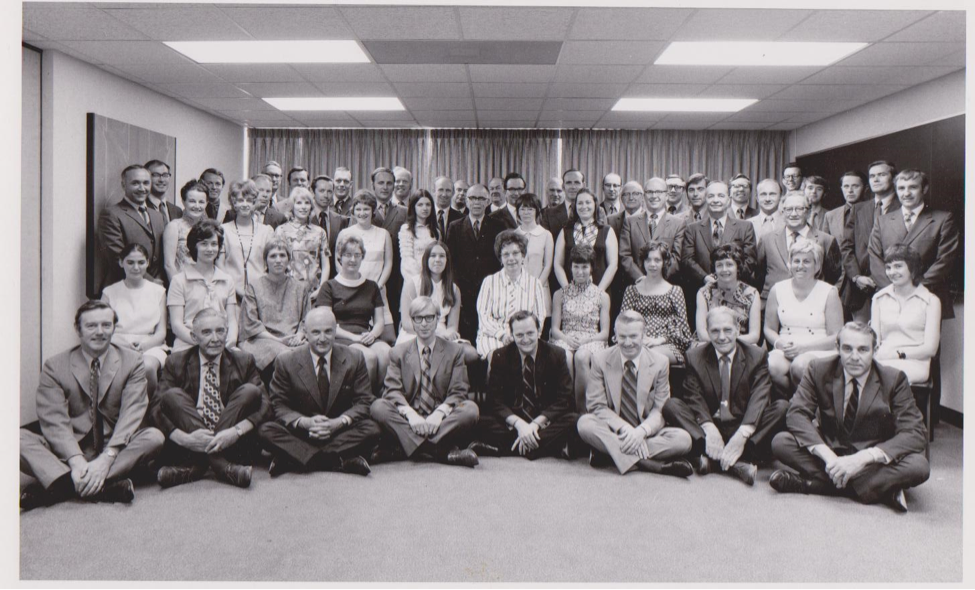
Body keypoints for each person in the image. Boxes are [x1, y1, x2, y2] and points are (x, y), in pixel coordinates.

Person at [19, 301, 165, 511]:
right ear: (78, 329)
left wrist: (107, 457)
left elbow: (132, 412)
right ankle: (102, 486)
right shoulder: (55, 365)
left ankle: (61, 485)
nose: (99, 332)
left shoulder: (132, 361)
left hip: (114, 447)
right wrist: (76, 460)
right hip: (71, 449)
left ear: (114, 328)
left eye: (106, 325)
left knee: (154, 437)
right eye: (91, 326)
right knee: (16, 439)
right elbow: (54, 420)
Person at [770, 322, 929, 512]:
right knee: (781, 442)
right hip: (831, 454)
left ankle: (812, 485)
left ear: (875, 350)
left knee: (919, 465)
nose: (854, 357)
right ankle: (876, 489)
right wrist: (830, 458)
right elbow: (797, 414)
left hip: (869, 462)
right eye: (847, 349)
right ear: (837, 348)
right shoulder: (818, 369)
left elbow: (915, 432)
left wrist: (861, 459)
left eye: (863, 350)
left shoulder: (894, 379)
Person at [665, 307, 789, 486]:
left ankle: (713, 459)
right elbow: (694, 398)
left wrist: (742, 435)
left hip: (743, 426)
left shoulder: (757, 355)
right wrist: (709, 428)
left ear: (738, 330)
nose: (722, 337)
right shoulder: (694, 357)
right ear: (707, 332)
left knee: (782, 407)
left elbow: (759, 397)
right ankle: (737, 464)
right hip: (710, 428)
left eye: (727, 330)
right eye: (715, 331)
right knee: (672, 405)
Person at [152, 309, 269, 489]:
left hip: (232, 441)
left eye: (220, 331)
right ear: (194, 336)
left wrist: (236, 431)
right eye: (206, 332)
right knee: (171, 396)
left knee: (250, 391)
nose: (215, 338)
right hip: (191, 440)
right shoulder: (176, 361)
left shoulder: (244, 360)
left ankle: (197, 467)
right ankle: (222, 467)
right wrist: (183, 438)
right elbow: (156, 407)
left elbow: (265, 404)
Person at [259, 307, 381, 477]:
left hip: (338, 432)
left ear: (335, 332)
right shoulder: (286, 360)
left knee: (372, 428)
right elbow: (278, 405)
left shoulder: (355, 357)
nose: (322, 338)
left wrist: (339, 422)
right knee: (266, 430)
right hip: (302, 432)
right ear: (305, 332)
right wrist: (304, 422)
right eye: (316, 332)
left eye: (328, 332)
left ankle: (297, 458)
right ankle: (339, 460)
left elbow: (364, 401)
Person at [576, 311, 693, 477]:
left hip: (643, 431)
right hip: (613, 428)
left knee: (683, 439)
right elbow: (596, 406)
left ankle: (609, 452)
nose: (628, 342)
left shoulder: (660, 362)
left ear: (643, 335)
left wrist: (641, 432)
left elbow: (660, 409)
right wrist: (625, 429)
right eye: (622, 336)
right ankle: (653, 465)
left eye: (633, 336)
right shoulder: (600, 359)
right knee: (585, 423)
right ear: (615, 336)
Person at [370, 297, 480, 467]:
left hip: (441, 420)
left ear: (437, 320)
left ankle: (409, 447)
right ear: (412, 322)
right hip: (410, 419)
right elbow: (391, 391)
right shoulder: (398, 352)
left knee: (471, 410)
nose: (424, 324)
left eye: (429, 317)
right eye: (418, 318)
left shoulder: (455, 351)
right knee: (378, 406)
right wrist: (411, 415)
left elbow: (459, 391)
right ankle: (440, 451)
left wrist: (439, 413)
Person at [474, 311, 579, 459]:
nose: (525, 340)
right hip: (514, 422)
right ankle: (541, 447)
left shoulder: (556, 355)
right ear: (512, 335)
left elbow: (565, 399)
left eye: (530, 333)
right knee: (478, 421)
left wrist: (534, 425)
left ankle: (509, 448)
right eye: (519, 335)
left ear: (539, 331)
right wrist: (520, 425)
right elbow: (494, 401)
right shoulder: (500, 356)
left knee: (574, 419)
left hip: (543, 421)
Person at [868, 169, 959, 319]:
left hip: (926, 295)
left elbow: (945, 260)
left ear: (924, 189)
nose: (906, 193)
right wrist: (892, 290)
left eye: (913, 187)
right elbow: (875, 257)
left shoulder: (943, 219)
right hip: (890, 297)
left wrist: (913, 289)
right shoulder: (882, 221)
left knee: (928, 342)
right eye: (901, 188)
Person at [764, 239, 844, 395]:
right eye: (796, 261)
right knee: (771, 366)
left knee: (799, 366)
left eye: (807, 261)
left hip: (819, 349)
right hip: (786, 348)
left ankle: (804, 409)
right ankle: (789, 404)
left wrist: (803, 348)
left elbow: (836, 335)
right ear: (790, 264)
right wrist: (780, 344)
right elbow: (768, 328)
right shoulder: (777, 289)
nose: (800, 266)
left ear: (817, 266)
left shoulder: (829, 292)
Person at [315, 233, 391, 391]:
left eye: (357, 255)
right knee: (368, 358)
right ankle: (363, 401)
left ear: (362, 257)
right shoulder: (329, 287)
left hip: (365, 336)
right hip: (340, 337)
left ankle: (380, 398)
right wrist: (354, 338)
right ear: (339, 257)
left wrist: (373, 335)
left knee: (386, 353)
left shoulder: (371, 286)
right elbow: (327, 324)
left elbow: (379, 322)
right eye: (348, 255)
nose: (352, 260)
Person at [238, 239, 312, 379]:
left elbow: (306, 320)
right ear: (266, 261)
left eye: (282, 255)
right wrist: (279, 341)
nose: (278, 260)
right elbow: (251, 324)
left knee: (310, 353)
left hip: (293, 340)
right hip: (261, 340)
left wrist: (299, 336)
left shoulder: (300, 287)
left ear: (289, 260)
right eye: (273, 256)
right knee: (287, 356)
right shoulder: (254, 287)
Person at [100, 244, 168, 396]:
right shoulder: (109, 292)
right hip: (116, 344)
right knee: (114, 368)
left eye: (141, 262)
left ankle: (149, 411)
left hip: (150, 345)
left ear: (148, 263)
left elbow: (161, 331)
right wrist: (123, 345)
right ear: (121, 262)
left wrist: (144, 345)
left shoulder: (158, 292)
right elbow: (103, 328)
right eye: (130, 262)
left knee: (147, 366)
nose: (136, 267)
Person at [550, 244, 610, 411]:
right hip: (566, 337)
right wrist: (566, 338)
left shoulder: (601, 295)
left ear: (591, 268)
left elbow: (605, 333)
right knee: (565, 356)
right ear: (570, 267)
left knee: (582, 356)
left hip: (592, 339)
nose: (580, 271)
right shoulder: (560, 294)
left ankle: (581, 409)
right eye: (576, 267)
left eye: (584, 267)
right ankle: (565, 406)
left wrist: (586, 339)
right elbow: (555, 329)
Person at [871, 244, 941, 384]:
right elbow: (874, 339)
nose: (892, 272)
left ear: (912, 267)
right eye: (888, 267)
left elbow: (931, 349)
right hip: (882, 358)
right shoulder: (879, 298)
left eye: (898, 266)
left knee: (885, 377)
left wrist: (897, 354)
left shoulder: (930, 301)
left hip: (914, 362)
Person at [397, 241, 479, 362]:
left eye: (442, 256)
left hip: (442, 334)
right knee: (426, 355)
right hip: (415, 332)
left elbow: (452, 326)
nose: (437, 259)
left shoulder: (454, 289)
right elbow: (406, 323)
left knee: (471, 353)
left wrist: (449, 333)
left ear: (447, 260)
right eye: (433, 255)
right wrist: (434, 333)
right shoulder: (413, 284)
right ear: (426, 259)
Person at [755, 192, 842, 303]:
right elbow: (759, 275)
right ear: (782, 212)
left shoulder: (826, 240)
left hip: (811, 303)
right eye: (789, 209)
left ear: (809, 211)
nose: (793, 214)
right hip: (773, 304)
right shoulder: (767, 239)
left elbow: (833, 276)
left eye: (799, 209)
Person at [842, 160, 901, 322]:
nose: (875, 179)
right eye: (872, 176)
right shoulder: (858, 209)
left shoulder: (904, 207)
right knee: (862, 340)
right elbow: (846, 247)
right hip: (860, 290)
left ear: (894, 178)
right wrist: (856, 277)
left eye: (881, 175)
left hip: (893, 285)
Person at [475, 230, 548, 358]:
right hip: (493, 336)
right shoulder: (489, 281)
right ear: (501, 258)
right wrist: (502, 334)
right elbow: (483, 316)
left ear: (523, 256)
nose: (511, 258)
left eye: (515, 253)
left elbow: (539, 317)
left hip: (524, 336)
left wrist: (523, 336)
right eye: (506, 254)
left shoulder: (534, 283)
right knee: (497, 356)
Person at [168, 219, 238, 352]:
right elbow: (176, 325)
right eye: (204, 244)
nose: (210, 249)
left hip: (220, 344)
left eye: (214, 244)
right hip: (188, 343)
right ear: (194, 246)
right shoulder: (179, 281)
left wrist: (230, 339)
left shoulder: (227, 280)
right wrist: (201, 342)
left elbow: (232, 320)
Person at [446, 184, 504, 343]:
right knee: (466, 339)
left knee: (488, 337)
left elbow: (501, 261)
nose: (476, 202)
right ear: (466, 200)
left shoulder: (498, 226)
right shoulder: (455, 226)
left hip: (490, 292)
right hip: (463, 293)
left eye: (481, 198)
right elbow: (450, 261)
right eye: (472, 198)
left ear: (488, 201)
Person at [335, 189, 396, 343]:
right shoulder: (345, 233)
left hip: (377, 291)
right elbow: (338, 262)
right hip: (352, 292)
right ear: (353, 211)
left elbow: (388, 262)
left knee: (388, 338)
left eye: (366, 209)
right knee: (358, 338)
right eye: (358, 209)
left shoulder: (383, 234)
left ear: (373, 210)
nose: (362, 213)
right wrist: (351, 284)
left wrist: (378, 285)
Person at [621, 241, 693, 366]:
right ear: (643, 262)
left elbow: (683, 328)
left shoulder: (675, 291)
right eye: (648, 260)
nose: (652, 264)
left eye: (657, 260)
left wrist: (659, 340)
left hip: (668, 344)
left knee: (646, 356)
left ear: (664, 262)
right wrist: (637, 339)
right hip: (637, 341)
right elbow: (623, 322)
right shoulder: (631, 290)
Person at [97, 164, 165, 291]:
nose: (142, 188)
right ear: (124, 185)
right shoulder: (111, 214)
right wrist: (151, 282)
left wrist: (158, 283)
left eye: (146, 183)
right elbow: (117, 257)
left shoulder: (157, 216)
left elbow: (161, 256)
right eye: (135, 183)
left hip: (156, 289)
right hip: (124, 288)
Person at [681, 180, 758, 291]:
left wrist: (728, 280)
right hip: (701, 290)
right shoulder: (692, 229)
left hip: (735, 291)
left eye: (721, 196)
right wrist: (705, 278)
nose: (715, 200)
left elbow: (750, 260)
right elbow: (687, 260)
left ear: (728, 199)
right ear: (706, 199)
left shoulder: (745, 227)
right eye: (711, 196)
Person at [619, 177, 685, 282]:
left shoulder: (678, 223)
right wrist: (640, 278)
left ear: (666, 195)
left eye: (658, 192)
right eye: (650, 192)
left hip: (665, 285)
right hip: (637, 284)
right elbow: (625, 255)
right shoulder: (630, 222)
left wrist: (658, 280)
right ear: (644, 196)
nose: (654, 196)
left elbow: (677, 258)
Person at [694, 243, 761, 346]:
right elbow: (702, 334)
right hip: (709, 344)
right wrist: (721, 344)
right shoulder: (704, 293)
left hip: (740, 343)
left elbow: (754, 335)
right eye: (719, 265)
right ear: (714, 269)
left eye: (729, 264)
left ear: (737, 267)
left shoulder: (752, 294)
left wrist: (729, 344)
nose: (724, 269)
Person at [553, 189, 618, 292]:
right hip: (571, 289)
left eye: (588, 202)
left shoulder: (607, 231)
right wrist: (567, 289)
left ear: (595, 205)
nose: (584, 206)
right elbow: (557, 263)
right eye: (580, 203)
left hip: (600, 289)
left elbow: (613, 264)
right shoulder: (565, 231)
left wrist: (599, 291)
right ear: (575, 206)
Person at [221, 179, 275, 300]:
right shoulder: (223, 230)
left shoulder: (266, 231)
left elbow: (270, 265)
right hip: (230, 294)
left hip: (261, 294)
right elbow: (220, 265)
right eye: (240, 200)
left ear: (255, 203)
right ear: (233, 203)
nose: (245, 204)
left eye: (249, 201)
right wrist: (237, 290)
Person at [273, 187, 330, 292]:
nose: (303, 207)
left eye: (307, 203)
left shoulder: (320, 232)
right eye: (299, 203)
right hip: (287, 289)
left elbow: (326, 264)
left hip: (314, 290)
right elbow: (276, 262)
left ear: (311, 206)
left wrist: (321, 289)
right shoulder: (281, 231)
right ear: (292, 206)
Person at [514, 193, 554, 323]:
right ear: (518, 211)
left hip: (540, 288)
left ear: (537, 211)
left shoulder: (546, 235)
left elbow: (548, 265)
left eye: (530, 209)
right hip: (517, 289)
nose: (526, 213)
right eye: (522, 209)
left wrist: (536, 287)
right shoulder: (514, 235)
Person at [164, 180, 209, 283]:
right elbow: (168, 265)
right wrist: (179, 290)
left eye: (201, 202)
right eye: (192, 201)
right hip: (183, 284)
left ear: (206, 203)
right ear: (184, 202)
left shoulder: (209, 228)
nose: (197, 206)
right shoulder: (174, 227)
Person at [398, 189, 439, 281]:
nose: (425, 208)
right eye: (420, 205)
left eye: (428, 204)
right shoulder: (407, 229)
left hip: (433, 279)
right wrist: (422, 279)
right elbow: (407, 259)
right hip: (414, 279)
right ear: (413, 207)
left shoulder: (436, 231)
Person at [747, 178, 785, 245]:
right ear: (757, 198)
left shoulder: (788, 223)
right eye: (763, 194)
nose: (767, 199)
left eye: (772, 194)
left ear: (781, 197)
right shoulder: (747, 224)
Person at [144, 159, 182, 224]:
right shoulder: (141, 208)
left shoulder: (177, 211)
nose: (161, 180)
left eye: (165, 175)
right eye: (156, 175)